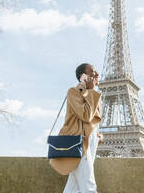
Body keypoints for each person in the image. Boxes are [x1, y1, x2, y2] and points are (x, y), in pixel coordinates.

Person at [50, 63, 103, 193]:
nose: (96, 74)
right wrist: (90, 91)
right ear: (83, 76)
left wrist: (97, 135)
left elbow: (93, 120)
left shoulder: (93, 94)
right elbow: (85, 116)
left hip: (89, 141)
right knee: (89, 185)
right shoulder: (73, 92)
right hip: (78, 141)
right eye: (92, 72)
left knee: (73, 187)